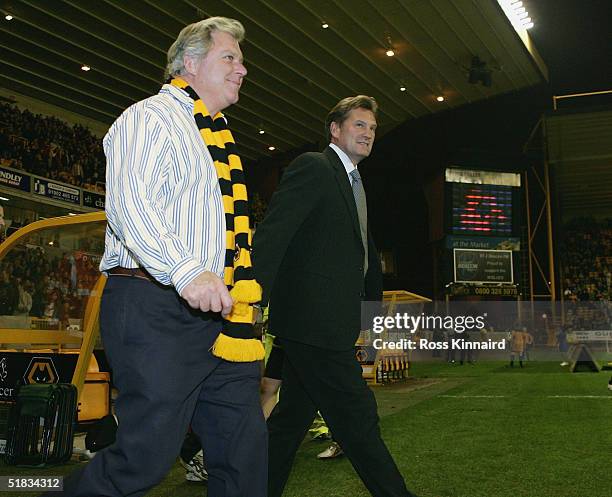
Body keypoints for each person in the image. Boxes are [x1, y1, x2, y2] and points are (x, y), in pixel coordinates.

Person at [48, 17, 267, 497]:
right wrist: (187, 271)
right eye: (230, 57)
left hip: (222, 317)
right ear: (190, 63)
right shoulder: (149, 117)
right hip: (156, 306)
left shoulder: (219, 137)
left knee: (244, 452)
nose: (242, 69)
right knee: (143, 460)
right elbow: (131, 205)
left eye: (241, 59)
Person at [253, 96, 417, 497]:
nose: (368, 134)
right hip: (313, 323)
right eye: (359, 125)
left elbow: (363, 252)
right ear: (336, 129)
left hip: (330, 323)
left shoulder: (355, 182)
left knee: (289, 421)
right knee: (357, 415)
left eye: (373, 128)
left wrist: (371, 310)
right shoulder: (315, 166)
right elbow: (274, 234)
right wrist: (252, 299)